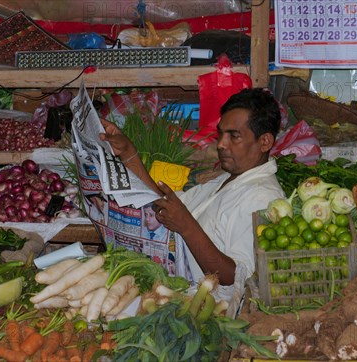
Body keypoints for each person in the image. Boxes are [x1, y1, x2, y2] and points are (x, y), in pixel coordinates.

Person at [99, 87, 285, 307]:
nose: (221, 144)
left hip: (205, 314)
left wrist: (186, 226)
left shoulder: (263, 198)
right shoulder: (227, 180)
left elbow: (236, 278)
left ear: (264, 142)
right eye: (221, 134)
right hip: (173, 295)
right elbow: (165, 204)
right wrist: (129, 153)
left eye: (233, 136)